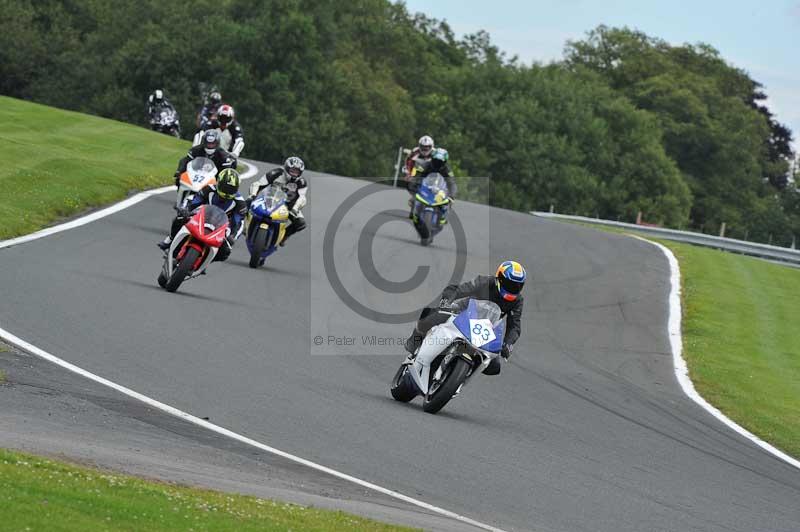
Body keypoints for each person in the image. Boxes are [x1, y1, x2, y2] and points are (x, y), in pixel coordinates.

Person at [404, 260, 527, 375]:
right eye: (510, 284)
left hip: (485, 329)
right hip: (462, 312)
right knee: (430, 314)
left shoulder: (517, 300)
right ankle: (414, 343)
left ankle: (461, 376)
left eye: (517, 286)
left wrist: (508, 344)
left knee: (494, 366)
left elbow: (515, 326)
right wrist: (446, 302)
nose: (513, 289)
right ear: (499, 278)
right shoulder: (484, 282)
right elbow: (457, 289)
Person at [158, 168, 247, 262]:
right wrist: (185, 209)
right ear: (218, 182)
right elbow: (193, 200)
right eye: (225, 188)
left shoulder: (240, 203)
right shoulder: (208, 189)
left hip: (221, 226)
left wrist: (233, 236)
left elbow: (239, 223)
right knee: (179, 218)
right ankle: (169, 240)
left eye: (231, 189)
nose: (226, 192)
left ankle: (207, 261)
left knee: (226, 250)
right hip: (200, 217)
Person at [248, 157, 307, 246]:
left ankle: (283, 237)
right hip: (270, 199)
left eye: (297, 172)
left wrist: (295, 208)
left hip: (289, 205)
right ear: (286, 168)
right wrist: (252, 195)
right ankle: (241, 227)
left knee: (301, 223)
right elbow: (258, 184)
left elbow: (302, 198)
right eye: (293, 170)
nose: (294, 174)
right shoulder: (276, 173)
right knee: (245, 205)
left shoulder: (302, 182)